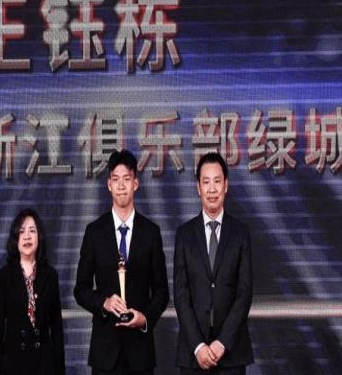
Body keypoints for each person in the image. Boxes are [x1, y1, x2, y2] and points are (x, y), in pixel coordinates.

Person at [74, 149, 169, 375]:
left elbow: (161, 291)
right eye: (116, 179)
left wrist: (144, 318)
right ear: (109, 185)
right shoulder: (94, 232)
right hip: (105, 352)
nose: (121, 185)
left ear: (135, 183)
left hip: (140, 352)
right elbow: (81, 289)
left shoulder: (151, 232)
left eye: (127, 179)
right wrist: (104, 303)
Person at [174, 152, 253, 374]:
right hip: (193, 355)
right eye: (206, 182)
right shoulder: (184, 234)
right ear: (198, 188)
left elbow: (244, 293)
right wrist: (198, 346)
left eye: (217, 181)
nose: (211, 189)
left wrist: (222, 342)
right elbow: (181, 295)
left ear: (225, 186)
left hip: (231, 354)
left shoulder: (241, 233)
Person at [0, 208, 65, 375]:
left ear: (39, 237)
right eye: (22, 231)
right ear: (15, 239)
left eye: (32, 231)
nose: (27, 236)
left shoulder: (50, 275)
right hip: (13, 364)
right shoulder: (5, 275)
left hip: (44, 364)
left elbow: (56, 328)